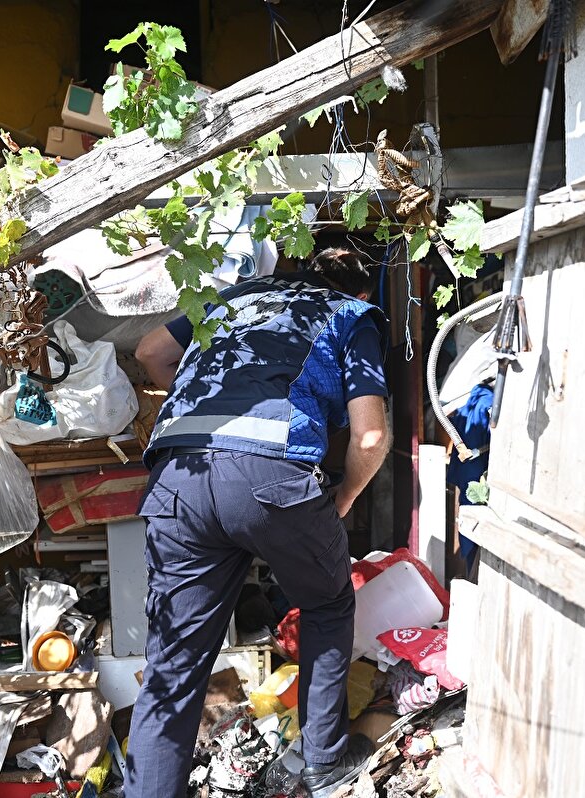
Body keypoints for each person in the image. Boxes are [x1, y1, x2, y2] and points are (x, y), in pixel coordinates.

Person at [125, 247, 392, 798]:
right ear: (361, 292)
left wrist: (187, 411)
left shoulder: (236, 297)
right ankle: (321, 759)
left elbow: (151, 351)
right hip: (270, 473)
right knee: (327, 601)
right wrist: (340, 501)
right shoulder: (349, 313)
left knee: (173, 665)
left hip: (180, 475)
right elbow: (370, 437)